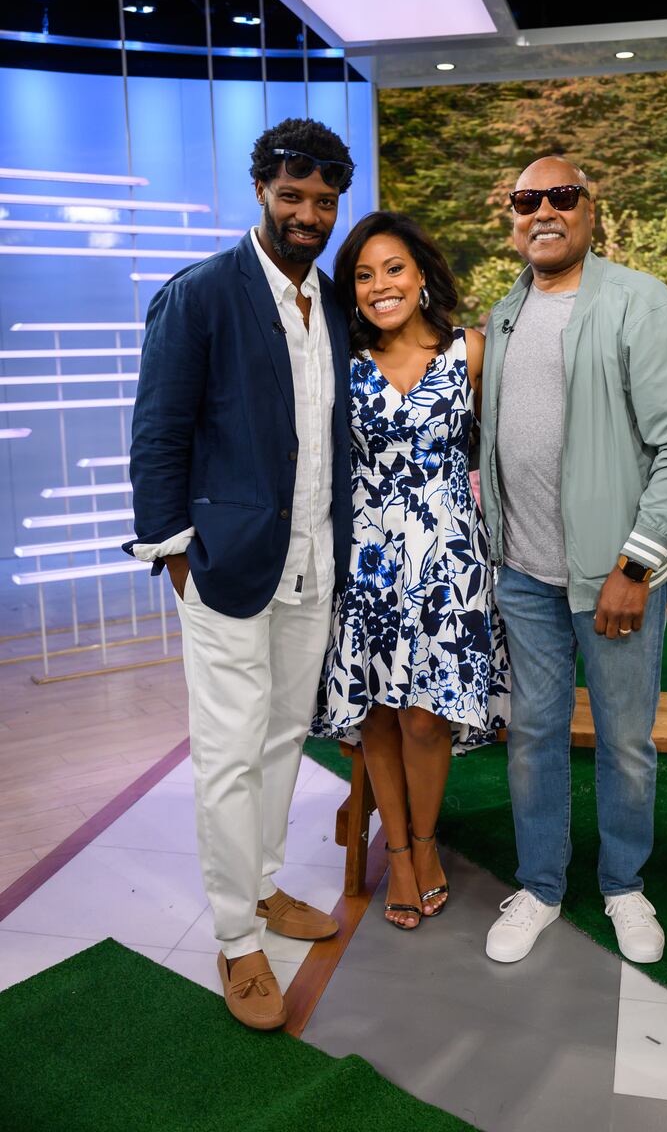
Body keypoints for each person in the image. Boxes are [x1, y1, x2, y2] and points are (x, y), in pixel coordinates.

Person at [124, 118, 355, 1029]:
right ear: (261, 189)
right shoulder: (201, 294)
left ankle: (261, 887)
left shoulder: (332, 302)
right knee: (225, 754)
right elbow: (157, 434)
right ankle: (234, 938)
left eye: (324, 200)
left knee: (281, 737)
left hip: (312, 565)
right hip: (221, 568)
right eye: (292, 195)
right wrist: (173, 553)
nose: (308, 213)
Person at [480, 156, 667, 965]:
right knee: (533, 734)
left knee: (623, 740)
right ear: (511, 216)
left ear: (589, 209)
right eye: (525, 199)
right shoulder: (508, 310)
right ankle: (541, 888)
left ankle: (623, 886)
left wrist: (636, 565)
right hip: (523, 574)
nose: (541, 211)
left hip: (615, 578)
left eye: (560, 196)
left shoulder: (636, 301)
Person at [314, 211, 510, 930]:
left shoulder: (474, 353)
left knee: (425, 720)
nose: (379, 285)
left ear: (422, 274)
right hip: (366, 560)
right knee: (377, 719)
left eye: (392, 268)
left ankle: (426, 842)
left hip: (449, 560)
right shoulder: (344, 358)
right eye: (363, 275)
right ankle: (397, 854)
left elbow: (506, 453)